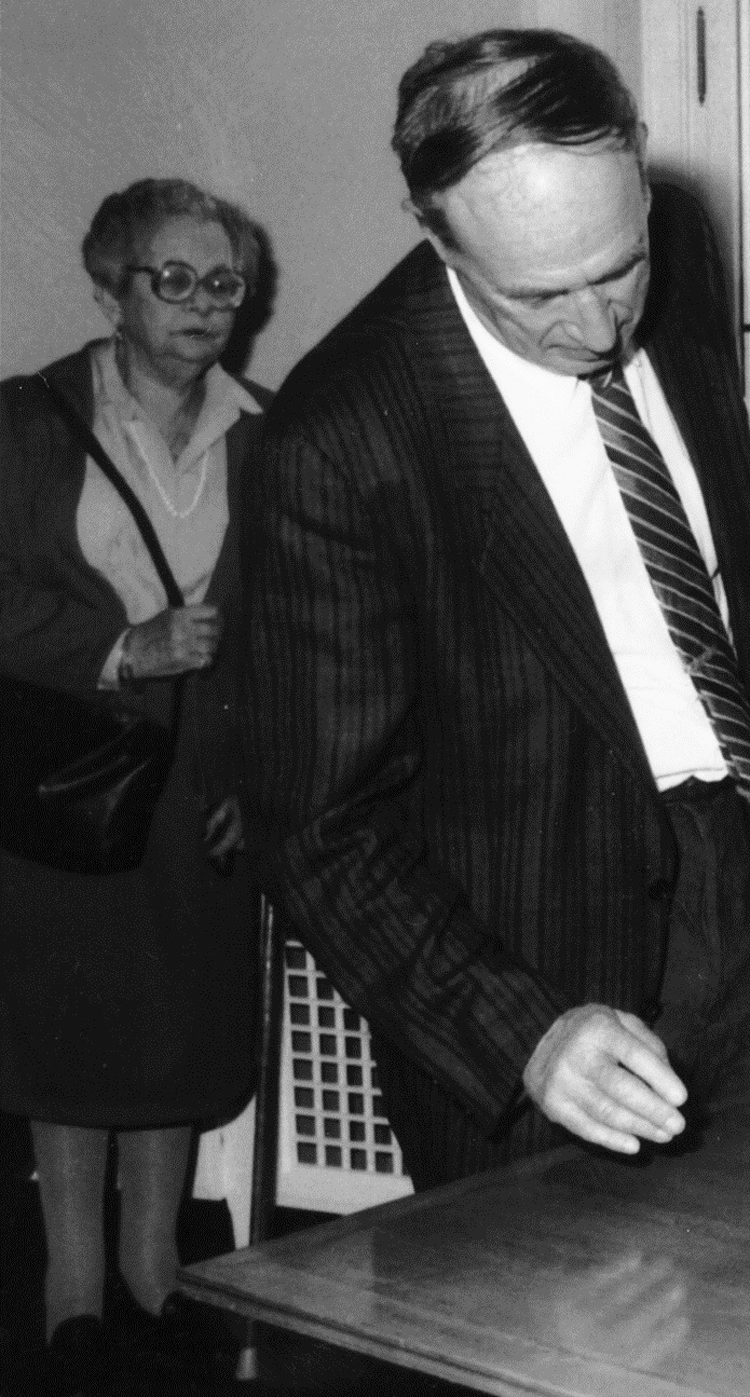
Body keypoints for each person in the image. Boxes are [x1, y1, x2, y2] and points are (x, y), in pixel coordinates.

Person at [240, 29, 750, 1189]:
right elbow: (314, 827)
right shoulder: (344, 438)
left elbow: (712, 557)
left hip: (732, 887)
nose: (602, 326)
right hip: (527, 951)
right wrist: (525, 1032)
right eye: (541, 296)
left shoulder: (676, 273)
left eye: (619, 268)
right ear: (434, 230)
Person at [1, 178, 267, 1384]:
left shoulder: (267, 432)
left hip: (200, 789)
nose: (204, 303)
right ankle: (68, 1285)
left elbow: (294, 628)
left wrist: (260, 769)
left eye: (224, 282)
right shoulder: (26, 423)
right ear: (111, 286)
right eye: (175, 278)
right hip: (68, 788)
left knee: (176, 1023)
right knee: (74, 1029)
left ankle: (156, 1269)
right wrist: (119, 646)